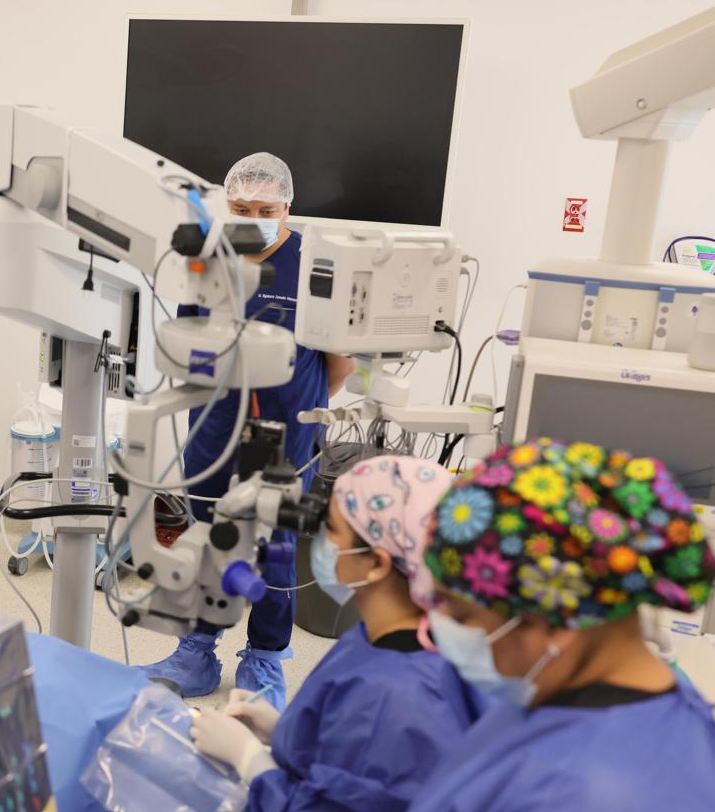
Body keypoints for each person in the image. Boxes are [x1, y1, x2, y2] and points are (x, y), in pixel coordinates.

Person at [141, 152, 355, 707]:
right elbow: (189, 342)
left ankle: (264, 659)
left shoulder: (315, 263)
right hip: (213, 425)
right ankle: (197, 650)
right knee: (209, 533)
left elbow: (339, 363)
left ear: (288, 208)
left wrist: (297, 407)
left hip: (287, 429)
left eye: (266, 210)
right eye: (240, 208)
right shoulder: (211, 257)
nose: (253, 218)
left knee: (275, 544)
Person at [410, 439, 715, 812]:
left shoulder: (580, 794)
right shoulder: (654, 712)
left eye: (461, 616)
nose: (441, 628)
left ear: (554, 624)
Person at [190, 456, 487, 810]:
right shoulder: (385, 636)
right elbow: (352, 752)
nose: (321, 542)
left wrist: (250, 760)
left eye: (331, 529)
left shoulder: (396, 698)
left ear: (376, 563)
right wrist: (285, 734)